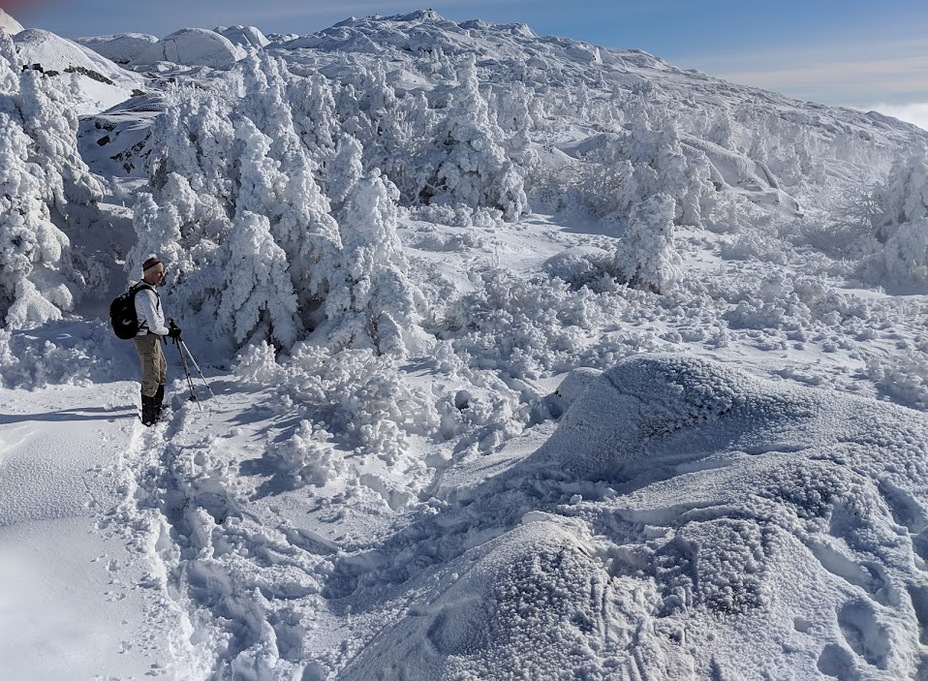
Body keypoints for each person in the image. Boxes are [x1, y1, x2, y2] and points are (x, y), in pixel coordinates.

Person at [133, 256, 181, 426]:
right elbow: (154, 326)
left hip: (151, 336)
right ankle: (149, 417)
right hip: (146, 338)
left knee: (161, 369)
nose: (162, 276)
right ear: (150, 273)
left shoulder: (149, 290)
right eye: (159, 273)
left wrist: (167, 330)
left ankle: (157, 408)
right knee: (151, 375)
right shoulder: (145, 294)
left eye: (163, 272)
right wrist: (170, 332)